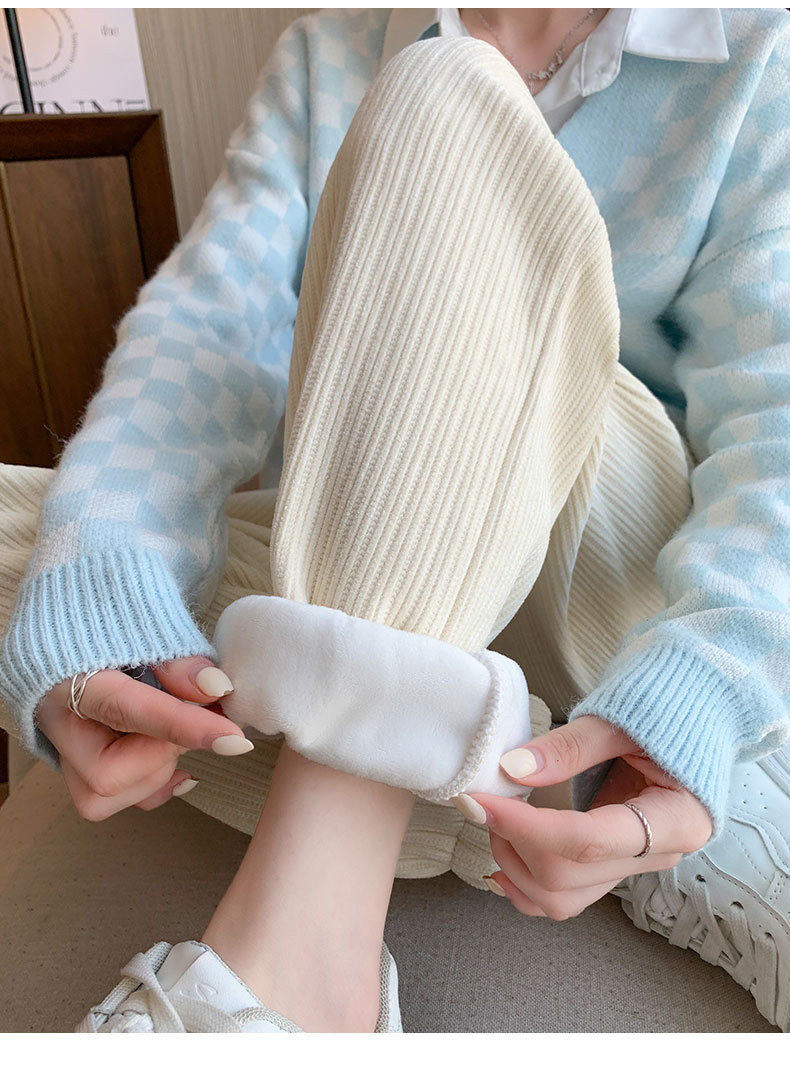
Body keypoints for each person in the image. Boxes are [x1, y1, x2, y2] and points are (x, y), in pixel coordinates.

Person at [0, 7, 788, 1033]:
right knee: (50, 546)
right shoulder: (333, 42)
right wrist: (100, 571)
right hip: (378, 549)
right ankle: (513, 778)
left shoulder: (758, 50)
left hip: (600, 574)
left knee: (449, 97)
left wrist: (704, 686)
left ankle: (292, 982)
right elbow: (210, 326)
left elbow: (776, 426)